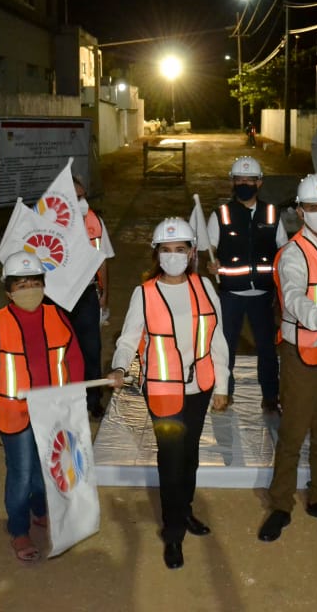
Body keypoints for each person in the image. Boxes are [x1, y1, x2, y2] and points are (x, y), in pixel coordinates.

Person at [0, 251, 84, 562]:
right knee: (21, 474)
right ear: (8, 292)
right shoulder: (0, 322)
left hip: (52, 409)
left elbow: (74, 357)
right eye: (21, 285)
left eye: (34, 283)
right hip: (15, 413)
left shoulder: (57, 316)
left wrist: (75, 397)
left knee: (45, 468)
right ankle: (19, 530)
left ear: (44, 286)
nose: (28, 290)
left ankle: (39, 511)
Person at [108, 217, 229, 569]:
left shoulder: (206, 287)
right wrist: (119, 367)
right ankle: (173, 532)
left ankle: (185, 510)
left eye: (180, 249)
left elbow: (217, 339)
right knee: (171, 458)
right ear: (156, 254)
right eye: (166, 250)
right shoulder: (143, 293)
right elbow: (129, 339)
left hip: (200, 387)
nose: (173, 255)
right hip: (162, 391)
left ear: (191, 253)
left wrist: (222, 384)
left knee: (189, 455)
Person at [258, 174, 317, 542]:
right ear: (300, 212)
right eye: (314, 207)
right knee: (294, 431)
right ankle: (281, 504)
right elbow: (295, 297)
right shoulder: (292, 254)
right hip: (302, 352)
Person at [207, 156, 288, 412]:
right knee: (225, 345)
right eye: (239, 179)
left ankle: (270, 396)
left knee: (266, 347)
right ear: (232, 182)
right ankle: (224, 392)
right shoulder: (221, 214)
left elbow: (285, 253)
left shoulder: (272, 214)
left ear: (259, 182)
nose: (244, 183)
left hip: (263, 294)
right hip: (230, 294)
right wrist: (211, 264)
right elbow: (208, 249)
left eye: (249, 179)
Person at [70, 175, 114, 419]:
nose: (83, 202)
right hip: (58, 297)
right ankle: (67, 401)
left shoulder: (94, 221)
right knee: (61, 352)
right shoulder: (49, 223)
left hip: (87, 294)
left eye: (84, 196)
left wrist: (104, 293)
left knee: (91, 348)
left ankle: (93, 400)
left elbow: (102, 259)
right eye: (77, 197)